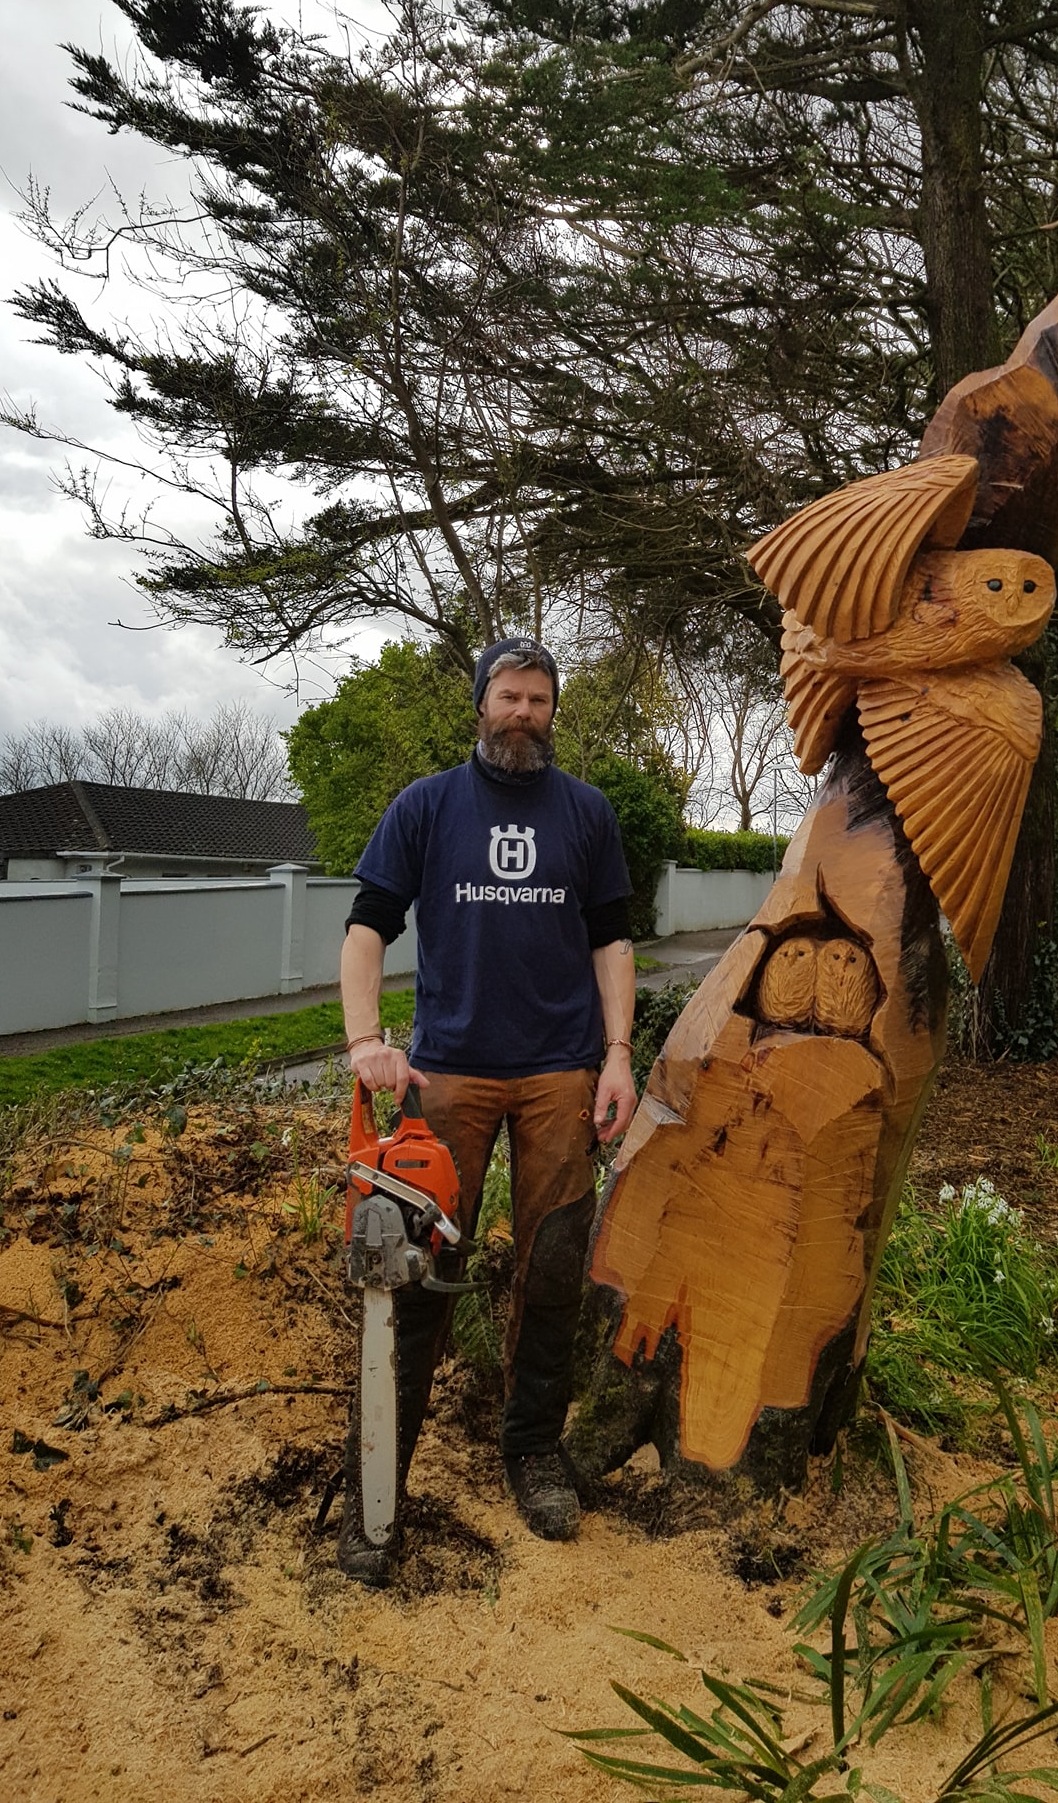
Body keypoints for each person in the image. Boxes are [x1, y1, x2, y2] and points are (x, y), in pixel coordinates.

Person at [337, 635, 637, 1580]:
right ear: (480, 704)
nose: (523, 714)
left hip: (560, 1073)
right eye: (508, 697)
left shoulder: (586, 813)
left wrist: (619, 1056)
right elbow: (365, 929)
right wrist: (363, 1044)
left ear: (553, 712)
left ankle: (532, 1449)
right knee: (415, 1276)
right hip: (446, 1077)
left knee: (552, 1270)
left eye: (539, 701)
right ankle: (376, 1486)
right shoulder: (427, 806)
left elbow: (614, 943)